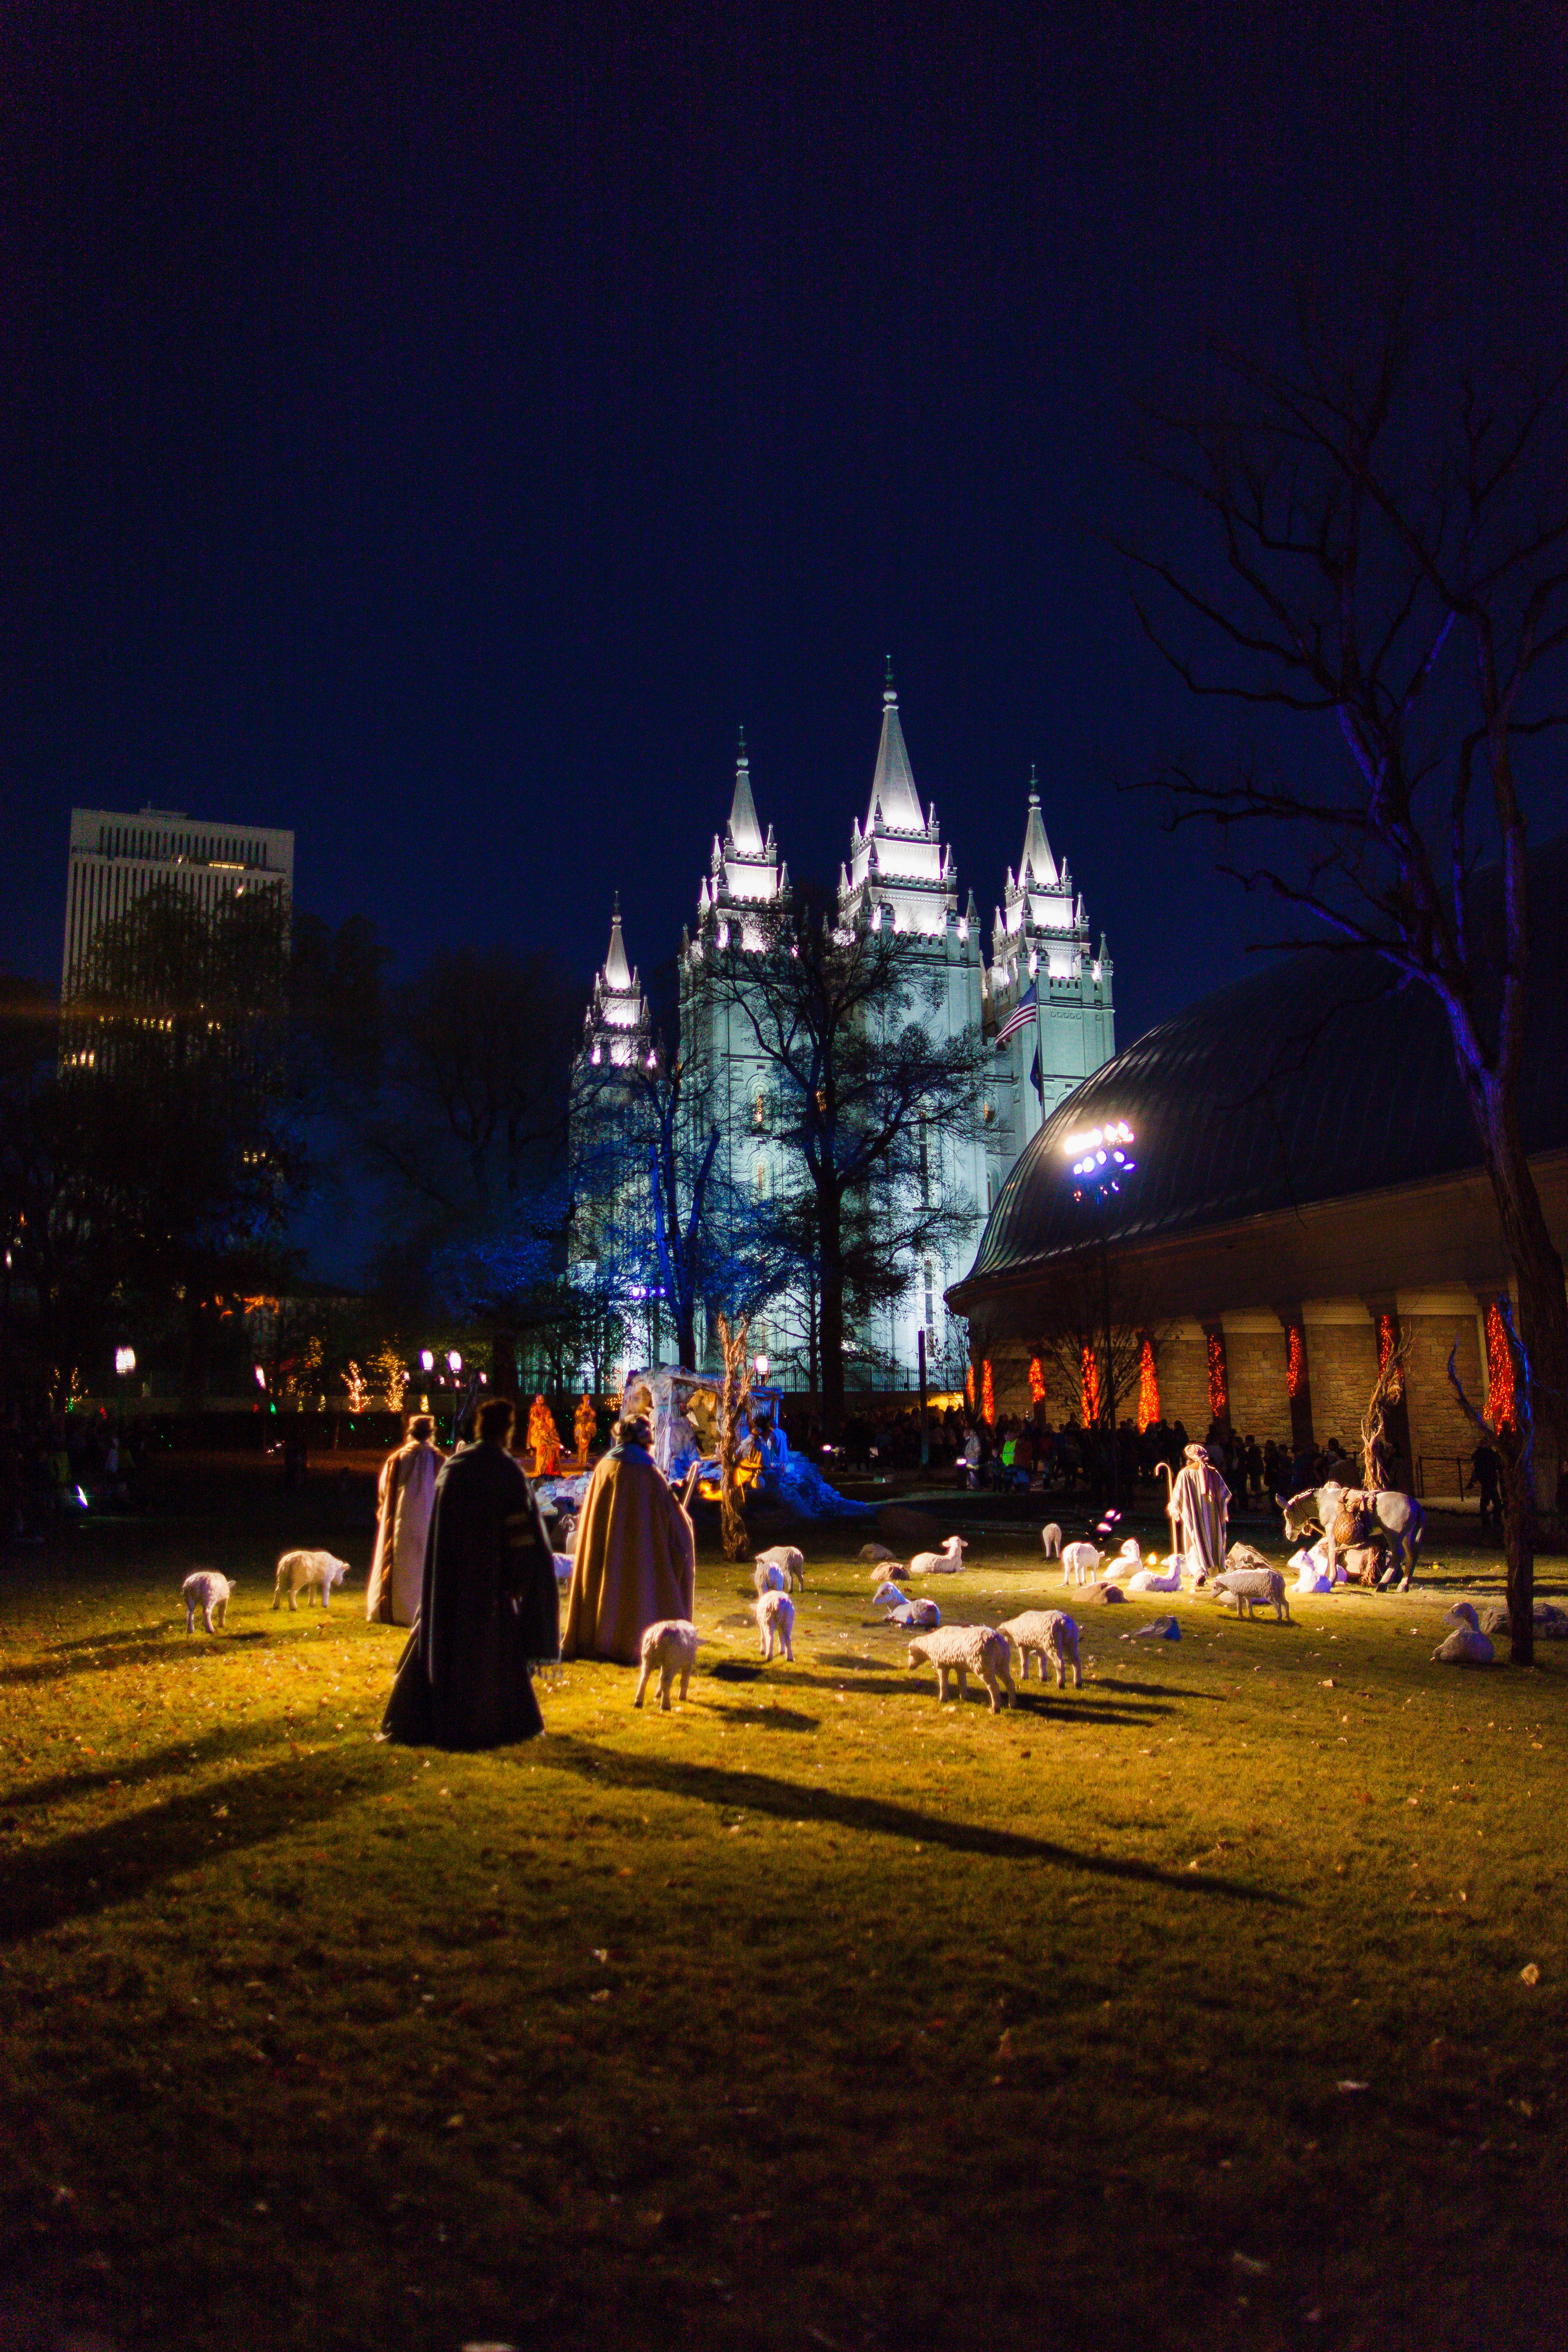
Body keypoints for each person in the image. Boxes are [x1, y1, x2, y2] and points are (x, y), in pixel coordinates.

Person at [382, 1397, 559, 1749]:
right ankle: (483, 1721)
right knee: (485, 1652)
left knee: (445, 1642)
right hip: (487, 1583)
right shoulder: (503, 1471)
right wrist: (523, 1577)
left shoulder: (455, 1467)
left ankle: (431, 1715)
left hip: (447, 1582)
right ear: (506, 1431)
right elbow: (521, 1532)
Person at [562, 1411, 697, 1664]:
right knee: (638, 1589)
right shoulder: (647, 1472)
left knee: (606, 1583)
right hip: (640, 1550)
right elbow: (670, 1517)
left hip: (607, 1554)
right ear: (643, 1438)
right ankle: (636, 1640)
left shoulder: (606, 1466)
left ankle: (600, 1636)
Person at [366, 1413, 444, 1625]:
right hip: (428, 1523)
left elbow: (383, 1490)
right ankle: (422, 1613)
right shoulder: (439, 1460)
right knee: (423, 1565)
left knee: (399, 1565)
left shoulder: (397, 1459)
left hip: (399, 1524)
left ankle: (394, 1609)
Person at [1166, 1442, 1232, 1578]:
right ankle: (1214, 1571)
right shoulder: (1214, 1473)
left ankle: (1199, 1571)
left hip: (1194, 1517)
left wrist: (1175, 1508)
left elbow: (1177, 1499)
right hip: (1213, 1518)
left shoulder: (1185, 1474)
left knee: (1194, 1543)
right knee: (1213, 1541)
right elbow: (1224, 1495)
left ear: (1189, 1458)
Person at [1466, 1437, 1503, 1537]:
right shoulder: (1488, 1455)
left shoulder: (1482, 1455)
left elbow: (1477, 1470)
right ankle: (1493, 1521)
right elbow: (1497, 1464)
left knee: (1488, 1502)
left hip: (1487, 1480)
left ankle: (1489, 1521)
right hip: (1489, 1479)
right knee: (1494, 1501)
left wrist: (1473, 1481)